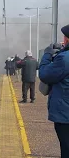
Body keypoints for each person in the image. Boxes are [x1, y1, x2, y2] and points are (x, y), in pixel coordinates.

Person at [39, 24, 69, 158]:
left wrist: (47, 55)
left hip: (65, 113)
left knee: (66, 148)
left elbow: (45, 74)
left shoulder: (65, 58)